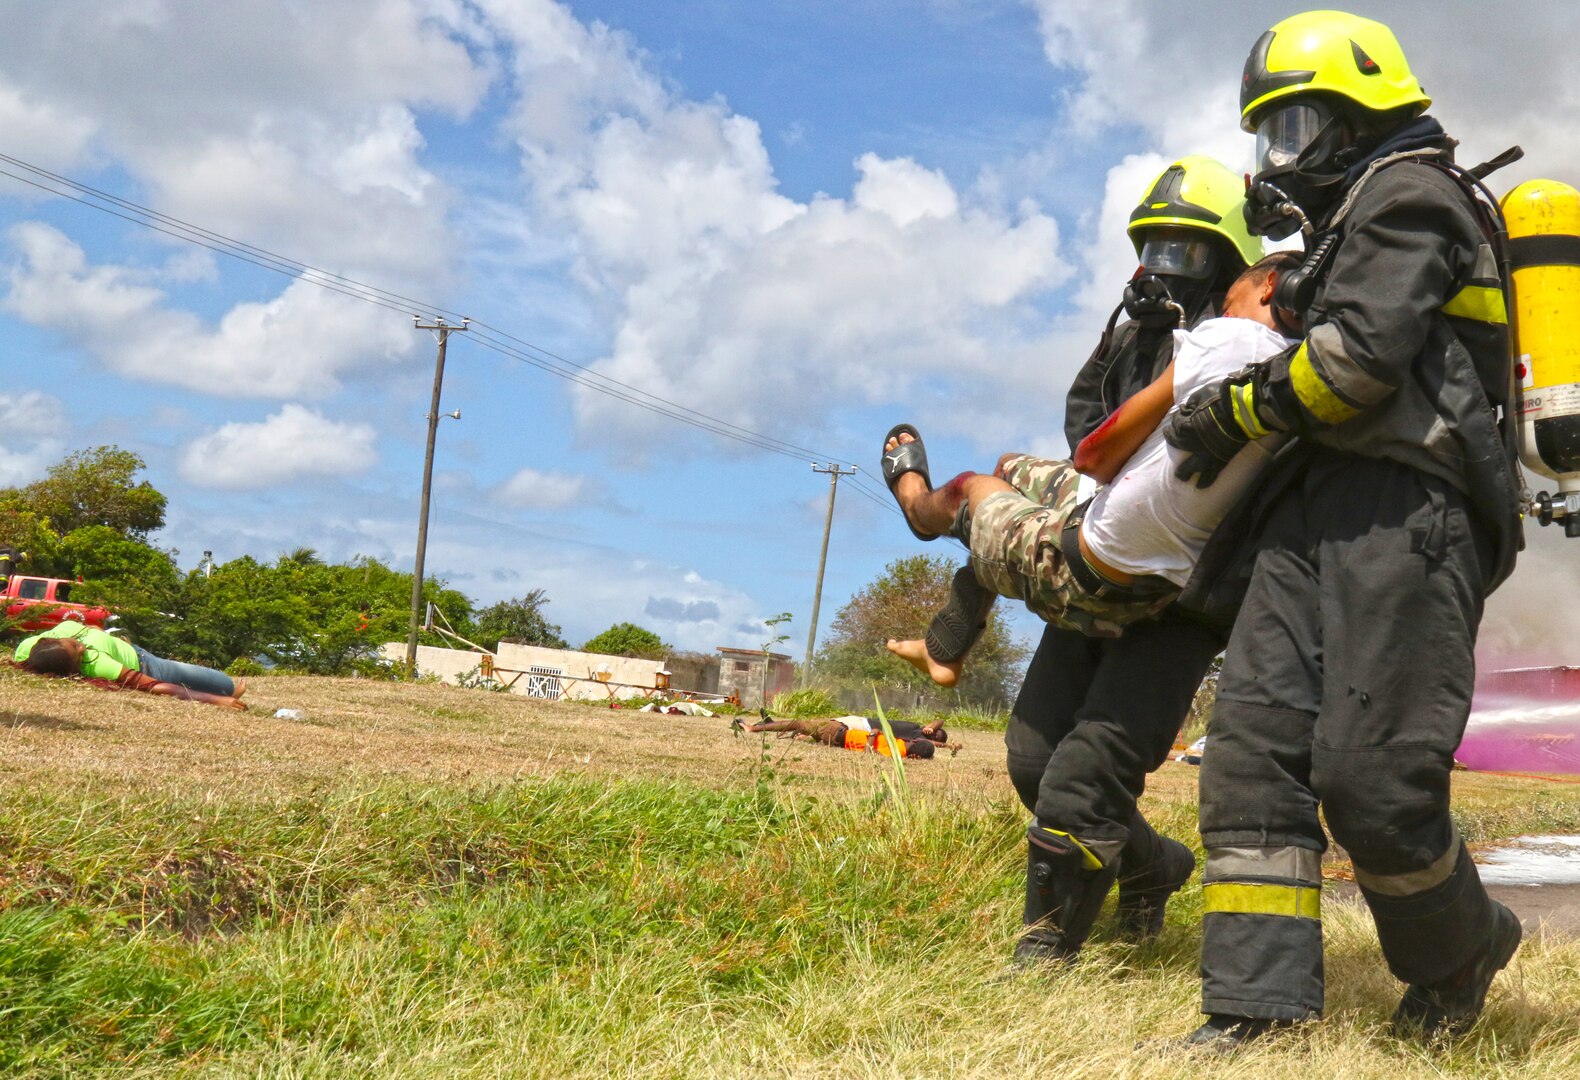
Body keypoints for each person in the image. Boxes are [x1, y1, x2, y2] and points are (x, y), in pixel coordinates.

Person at [1163, 11, 1525, 1046]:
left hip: (1404, 509)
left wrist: (1227, 409)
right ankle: (1253, 1011)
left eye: (1296, 126)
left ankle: (1459, 951)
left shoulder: (1411, 196)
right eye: (1268, 135)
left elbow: (1356, 365)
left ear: (1362, 110)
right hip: (1310, 508)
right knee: (1250, 760)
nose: (1280, 157)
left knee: (1370, 775)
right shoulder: (1348, 220)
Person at [888, 158, 1268, 964]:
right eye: (1155, 245)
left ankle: (1044, 958)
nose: (1168, 262)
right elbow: (1084, 431)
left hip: (1182, 600)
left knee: (1086, 774)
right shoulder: (1140, 328)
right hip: (1103, 556)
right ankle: (1153, 867)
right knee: (1032, 757)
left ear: (1237, 261)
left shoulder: (1250, 344)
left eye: (1189, 248)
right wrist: (1134, 334)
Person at [15, 621, 247, 710]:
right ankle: (229, 690)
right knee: (222, 683)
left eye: (74, 643)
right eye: (78, 652)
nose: (82, 647)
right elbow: (156, 686)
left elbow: (89, 629)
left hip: (126, 645)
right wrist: (219, 700)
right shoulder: (99, 665)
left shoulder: (28, 649)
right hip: (147, 665)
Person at [746, 714, 950, 758]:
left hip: (842, 733)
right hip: (840, 737)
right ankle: (772, 725)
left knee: (801, 723)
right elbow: (938, 722)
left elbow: (869, 751)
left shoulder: (895, 749)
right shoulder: (902, 748)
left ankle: (754, 729)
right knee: (808, 729)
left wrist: (872, 735)